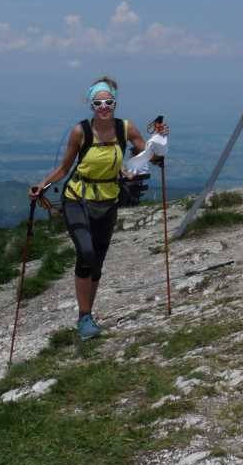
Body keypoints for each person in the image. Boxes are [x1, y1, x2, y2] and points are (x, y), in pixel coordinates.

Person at [31, 77, 168, 340]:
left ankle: (88, 316)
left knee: (97, 261)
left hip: (108, 200)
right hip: (77, 198)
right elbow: (64, 168)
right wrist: (42, 185)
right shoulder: (80, 132)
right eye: (98, 103)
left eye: (109, 102)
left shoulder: (125, 129)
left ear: (115, 103)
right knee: (86, 252)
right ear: (91, 105)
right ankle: (84, 318)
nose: (104, 107)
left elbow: (152, 156)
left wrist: (160, 140)